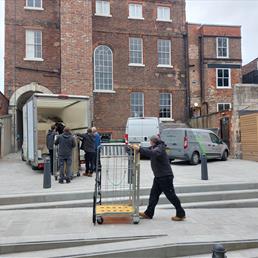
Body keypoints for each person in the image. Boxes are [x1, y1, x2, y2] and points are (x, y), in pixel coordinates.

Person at [130, 135, 186, 221]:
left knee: (171, 195)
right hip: (159, 177)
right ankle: (148, 213)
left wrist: (139, 149)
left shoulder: (160, 148)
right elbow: (147, 150)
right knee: (153, 195)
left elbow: (153, 153)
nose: (150, 143)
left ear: (153, 142)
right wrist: (134, 148)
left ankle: (181, 214)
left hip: (165, 177)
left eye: (150, 142)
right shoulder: (155, 147)